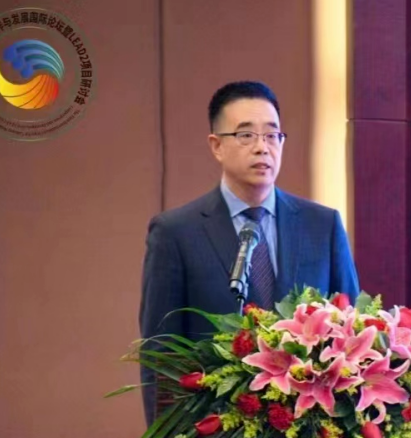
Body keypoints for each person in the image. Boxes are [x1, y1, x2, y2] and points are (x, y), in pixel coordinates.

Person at [139, 80, 359, 425]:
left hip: (310, 424)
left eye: (272, 135)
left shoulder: (322, 225)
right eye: (246, 135)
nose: (262, 147)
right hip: (217, 426)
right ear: (216, 146)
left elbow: (351, 331)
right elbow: (161, 352)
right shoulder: (176, 232)